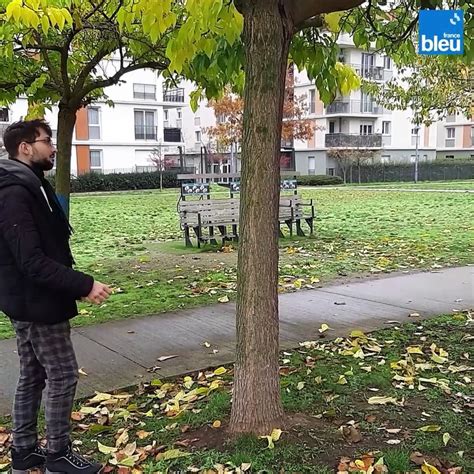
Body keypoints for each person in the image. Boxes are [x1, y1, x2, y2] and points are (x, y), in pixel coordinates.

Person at [0, 119, 112, 474]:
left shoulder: (31, 184)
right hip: (36, 302)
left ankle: (24, 451)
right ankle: (58, 455)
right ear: (25, 147)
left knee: (32, 374)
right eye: (47, 142)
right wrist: (84, 285)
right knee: (63, 374)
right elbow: (31, 260)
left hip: (31, 298)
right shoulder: (15, 191)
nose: (54, 148)